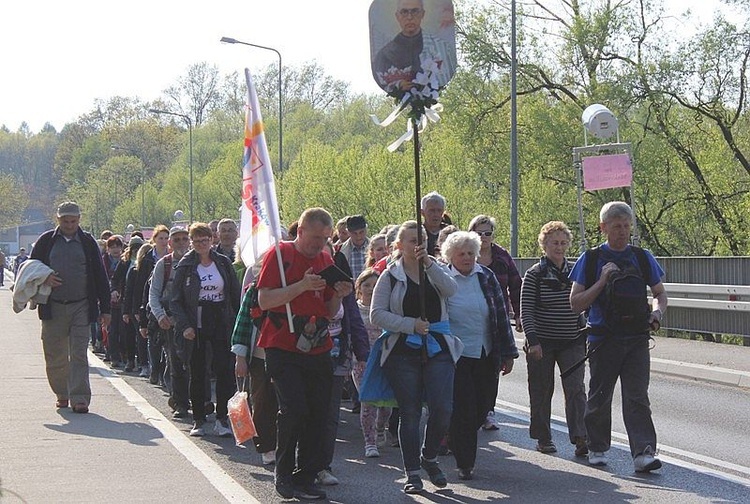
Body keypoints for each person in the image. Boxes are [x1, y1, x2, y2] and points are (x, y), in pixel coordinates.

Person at [255, 208, 352, 501]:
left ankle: (307, 474)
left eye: (324, 238)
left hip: (317, 344)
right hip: (282, 344)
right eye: (314, 238)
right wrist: (301, 286)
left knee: (319, 412)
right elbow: (265, 299)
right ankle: (283, 473)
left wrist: (338, 294)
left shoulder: (326, 257)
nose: (319, 244)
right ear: (300, 232)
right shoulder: (280, 255)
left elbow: (331, 310)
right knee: (294, 409)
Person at [569, 201, 668, 472]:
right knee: (600, 395)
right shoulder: (590, 259)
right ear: (603, 228)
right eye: (616, 226)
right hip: (604, 339)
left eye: (626, 225)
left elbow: (660, 294)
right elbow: (575, 303)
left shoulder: (642, 256)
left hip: (637, 337)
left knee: (637, 397)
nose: (622, 231)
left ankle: (643, 453)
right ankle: (597, 447)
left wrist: (657, 314)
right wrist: (601, 281)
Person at [370, 220, 459, 494]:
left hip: (438, 346)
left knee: (442, 408)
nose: (416, 244)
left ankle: (429, 456)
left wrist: (430, 265)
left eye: (420, 239)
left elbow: (451, 290)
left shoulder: (437, 269)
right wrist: (410, 324)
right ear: (398, 245)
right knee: (409, 412)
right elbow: (377, 314)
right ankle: (413, 472)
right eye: (410, 240)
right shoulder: (390, 275)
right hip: (402, 351)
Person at [442, 231, 518, 480]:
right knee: (464, 408)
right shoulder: (443, 279)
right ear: (451, 256)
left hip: (486, 351)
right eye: (461, 254)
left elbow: (500, 313)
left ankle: (455, 435)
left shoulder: (486, 276)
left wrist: (508, 352)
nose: (467, 258)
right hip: (456, 355)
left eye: (471, 253)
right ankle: (466, 463)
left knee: (483, 405)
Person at [29, 202, 111, 413]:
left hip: (81, 306)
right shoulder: (46, 241)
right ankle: (62, 393)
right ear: (58, 220)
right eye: (65, 221)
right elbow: (29, 270)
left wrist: (106, 310)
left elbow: (100, 276)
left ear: (79, 220)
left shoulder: (87, 242)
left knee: (78, 353)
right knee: (54, 353)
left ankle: (80, 397)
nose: (69, 224)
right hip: (53, 307)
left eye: (73, 221)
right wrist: (44, 277)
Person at [520, 222, 587, 456]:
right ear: (544, 244)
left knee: (576, 389)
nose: (559, 247)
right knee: (541, 389)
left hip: (572, 340)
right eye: (554, 243)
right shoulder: (534, 274)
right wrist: (532, 340)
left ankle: (581, 436)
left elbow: (583, 303)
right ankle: (543, 437)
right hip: (542, 342)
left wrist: (584, 329)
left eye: (562, 243)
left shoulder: (576, 272)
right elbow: (525, 309)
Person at [171, 222, 241, 438]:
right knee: (198, 370)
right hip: (196, 320)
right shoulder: (185, 265)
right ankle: (199, 419)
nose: (201, 244)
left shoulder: (222, 262)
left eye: (205, 240)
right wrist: (185, 326)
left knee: (224, 370)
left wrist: (237, 324)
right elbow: (175, 300)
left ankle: (222, 418)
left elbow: (234, 295)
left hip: (220, 318)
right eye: (197, 241)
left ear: (212, 240)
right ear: (192, 242)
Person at [469, 214, 523, 431]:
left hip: (497, 318)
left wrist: (519, 314)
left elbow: (516, 285)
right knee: (473, 367)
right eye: (478, 233)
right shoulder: (465, 254)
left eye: (487, 233)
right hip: (471, 318)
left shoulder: (502, 256)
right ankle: (473, 408)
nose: (483, 237)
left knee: (493, 365)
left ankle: (488, 411)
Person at [149, 226, 191, 418]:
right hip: (171, 322)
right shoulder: (163, 265)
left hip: (193, 321)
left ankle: (202, 400)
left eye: (185, 239)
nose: (181, 243)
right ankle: (180, 402)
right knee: (176, 362)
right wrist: (160, 316)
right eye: (177, 239)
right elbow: (154, 294)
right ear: (170, 243)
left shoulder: (197, 262)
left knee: (199, 364)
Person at [372, 0, 457, 91]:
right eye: (404, 12)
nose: (410, 17)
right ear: (397, 16)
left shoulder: (441, 48)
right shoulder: (384, 55)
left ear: (422, 14)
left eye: (415, 11)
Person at [351, 268, 392, 458]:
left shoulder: (385, 309)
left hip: (384, 360)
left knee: (386, 405)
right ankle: (370, 442)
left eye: (375, 285)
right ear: (359, 289)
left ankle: (381, 427)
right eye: (367, 285)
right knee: (368, 401)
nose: (371, 289)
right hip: (361, 361)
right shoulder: (354, 309)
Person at [339, 215, 369, 281]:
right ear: (348, 232)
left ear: (366, 230)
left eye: (361, 232)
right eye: (354, 233)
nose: (358, 237)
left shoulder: (375, 248)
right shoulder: (340, 251)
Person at [421, 191, 447, 256]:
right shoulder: (418, 233)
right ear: (422, 212)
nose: (436, 214)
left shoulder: (449, 232)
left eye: (439, 210)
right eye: (431, 210)